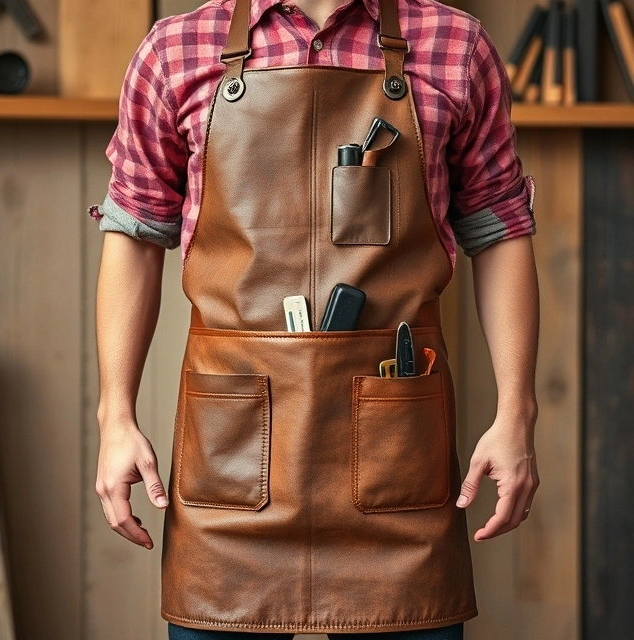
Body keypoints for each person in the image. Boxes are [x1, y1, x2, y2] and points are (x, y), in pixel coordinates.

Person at [90, 1, 540, 639]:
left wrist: (517, 412)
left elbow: (500, 234)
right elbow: (134, 234)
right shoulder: (177, 48)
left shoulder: (455, 45)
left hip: (394, 462)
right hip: (234, 462)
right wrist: (116, 418)